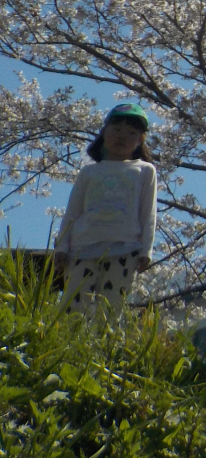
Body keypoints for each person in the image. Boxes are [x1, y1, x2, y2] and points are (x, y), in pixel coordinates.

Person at [54, 103, 158, 313]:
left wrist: (146, 249)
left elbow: (148, 213)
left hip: (124, 247)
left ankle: (104, 336)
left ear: (140, 140)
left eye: (131, 132)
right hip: (82, 247)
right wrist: (62, 246)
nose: (122, 136)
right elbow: (73, 211)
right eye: (116, 129)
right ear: (104, 133)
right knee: (73, 306)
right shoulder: (89, 172)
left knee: (111, 307)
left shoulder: (145, 170)